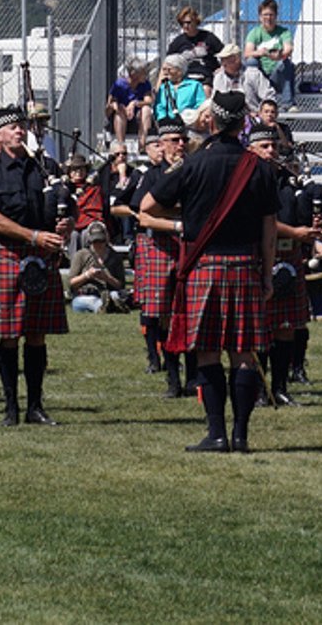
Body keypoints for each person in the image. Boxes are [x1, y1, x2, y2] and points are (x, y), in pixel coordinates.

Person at [143, 92, 278, 452]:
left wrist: (183, 225)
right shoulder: (260, 167)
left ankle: (216, 434)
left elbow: (146, 207)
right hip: (247, 265)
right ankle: (242, 436)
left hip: (205, 266)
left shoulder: (192, 165)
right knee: (243, 353)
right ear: (242, 124)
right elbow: (269, 231)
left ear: (211, 122)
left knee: (205, 350)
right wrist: (266, 275)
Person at [0, 105, 72, 427]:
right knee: (8, 336)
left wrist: (65, 226)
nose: (19, 130)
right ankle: (10, 407)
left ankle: (35, 406)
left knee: (36, 334)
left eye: (22, 125)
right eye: (12, 126)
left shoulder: (45, 168)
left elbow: (67, 209)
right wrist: (33, 236)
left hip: (41, 257)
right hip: (9, 255)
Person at [255, 122, 316, 408]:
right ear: (251, 149)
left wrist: (317, 219)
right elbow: (261, 220)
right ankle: (259, 389)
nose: (271, 151)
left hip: (290, 256)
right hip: (261, 255)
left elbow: (301, 216)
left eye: (274, 146)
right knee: (261, 326)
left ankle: (280, 387)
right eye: (264, 146)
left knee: (286, 326)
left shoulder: (288, 181)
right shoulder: (248, 180)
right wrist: (296, 233)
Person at [130, 118, 191, 397]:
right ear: (162, 144)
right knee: (164, 315)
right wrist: (177, 217)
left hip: (188, 247)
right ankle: (173, 378)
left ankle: (194, 377)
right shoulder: (153, 176)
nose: (181, 145)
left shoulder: (193, 171)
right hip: (160, 248)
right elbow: (143, 215)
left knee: (190, 313)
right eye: (175, 140)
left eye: (183, 140)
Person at [245, 0, 297, 107]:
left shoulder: (284, 32)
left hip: (277, 75)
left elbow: (288, 48)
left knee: (285, 63)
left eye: (271, 15)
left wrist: (280, 55)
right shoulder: (254, 33)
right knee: (251, 62)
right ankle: (253, 106)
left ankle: (288, 104)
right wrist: (260, 53)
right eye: (265, 15)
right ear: (260, 17)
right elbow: (247, 53)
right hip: (260, 76)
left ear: (276, 16)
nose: (268, 18)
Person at [67, 221, 128, 313]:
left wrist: (107, 278)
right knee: (85, 302)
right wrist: (87, 275)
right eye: (95, 241)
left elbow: (120, 285)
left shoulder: (115, 257)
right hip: (86, 294)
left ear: (106, 238)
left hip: (108, 291)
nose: (98, 244)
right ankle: (103, 306)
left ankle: (112, 303)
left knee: (115, 294)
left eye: (101, 240)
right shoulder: (81, 255)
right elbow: (71, 283)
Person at [166, 6, 226, 79]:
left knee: (205, 89)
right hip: (185, 78)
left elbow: (225, 54)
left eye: (188, 23)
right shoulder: (178, 42)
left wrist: (222, 68)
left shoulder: (209, 37)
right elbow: (167, 63)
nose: (185, 26)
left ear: (196, 21)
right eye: (182, 23)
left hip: (206, 76)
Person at [108, 60, 154, 149]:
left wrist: (134, 103)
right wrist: (119, 107)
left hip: (138, 115)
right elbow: (110, 104)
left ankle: (142, 145)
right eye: (144, 72)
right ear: (134, 74)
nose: (146, 74)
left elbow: (148, 101)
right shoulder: (119, 84)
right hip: (122, 116)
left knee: (146, 109)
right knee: (119, 112)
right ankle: (121, 145)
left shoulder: (145, 84)